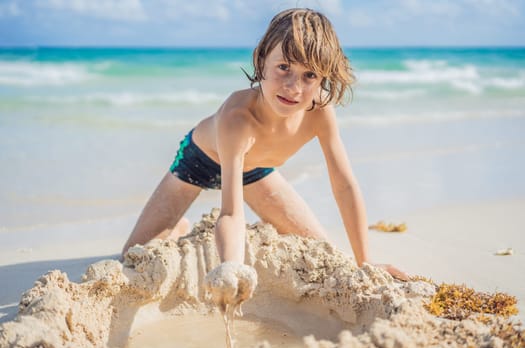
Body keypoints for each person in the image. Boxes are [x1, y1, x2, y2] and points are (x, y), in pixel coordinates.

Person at [122, 8, 409, 283]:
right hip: (198, 161)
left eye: (310, 75)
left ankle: (257, 234)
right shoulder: (238, 118)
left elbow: (344, 186)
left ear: (324, 76)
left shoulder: (320, 111)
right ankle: (179, 229)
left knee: (323, 252)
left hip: (257, 169)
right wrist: (231, 270)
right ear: (261, 61)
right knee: (132, 256)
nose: (294, 87)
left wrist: (365, 260)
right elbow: (231, 213)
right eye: (284, 67)